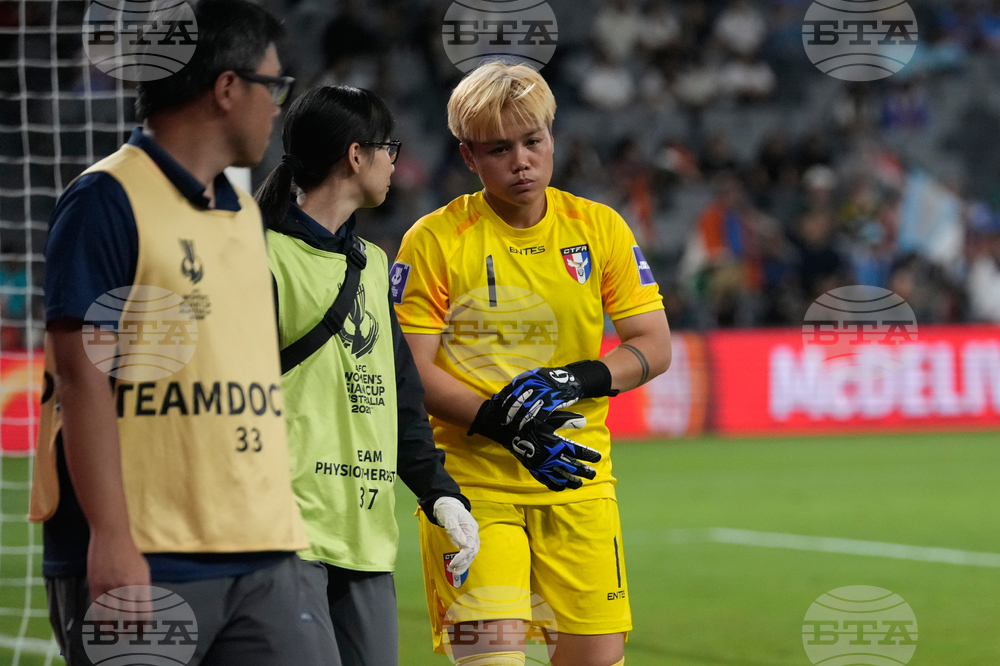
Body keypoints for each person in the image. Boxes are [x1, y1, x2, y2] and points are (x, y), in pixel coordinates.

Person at [29, 1, 337, 664]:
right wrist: (111, 536)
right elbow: (80, 379)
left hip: (263, 551)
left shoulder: (241, 215)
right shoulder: (105, 199)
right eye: (273, 86)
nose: (277, 106)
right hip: (148, 554)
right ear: (227, 88)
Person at [393, 62, 672, 666]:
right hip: (472, 486)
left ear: (552, 137)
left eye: (533, 141)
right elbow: (411, 371)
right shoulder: (434, 240)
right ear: (469, 157)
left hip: (576, 478)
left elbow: (653, 344)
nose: (521, 161)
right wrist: (502, 423)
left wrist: (577, 378)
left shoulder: (599, 228)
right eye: (499, 149)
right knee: (493, 658)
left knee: (596, 660)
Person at [254, 85, 480, 666]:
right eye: (388, 147)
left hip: (367, 537)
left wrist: (441, 494)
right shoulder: (261, 258)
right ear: (356, 156)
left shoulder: (373, 264)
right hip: (287, 534)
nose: (396, 161)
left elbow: (401, 397)